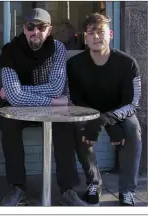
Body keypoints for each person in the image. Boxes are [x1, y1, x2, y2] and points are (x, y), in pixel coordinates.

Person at [0, 8, 87, 206]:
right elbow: (13, 97)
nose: (35, 31)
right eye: (31, 26)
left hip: (46, 108)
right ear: (24, 28)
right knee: (8, 124)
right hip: (18, 109)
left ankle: (67, 190)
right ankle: (17, 188)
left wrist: (21, 91)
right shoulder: (9, 50)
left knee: (64, 124)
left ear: (49, 30)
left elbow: (56, 86)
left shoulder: (58, 48)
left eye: (41, 27)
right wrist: (53, 100)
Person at [67, 13, 142, 206]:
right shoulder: (74, 64)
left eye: (101, 32)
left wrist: (108, 121)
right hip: (88, 111)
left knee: (133, 129)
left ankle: (127, 190)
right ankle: (94, 182)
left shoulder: (128, 63)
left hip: (119, 112)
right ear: (85, 37)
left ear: (111, 34)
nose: (96, 37)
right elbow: (75, 99)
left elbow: (132, 103)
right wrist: (94, 119)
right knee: (78, 128)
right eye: (91, 32)